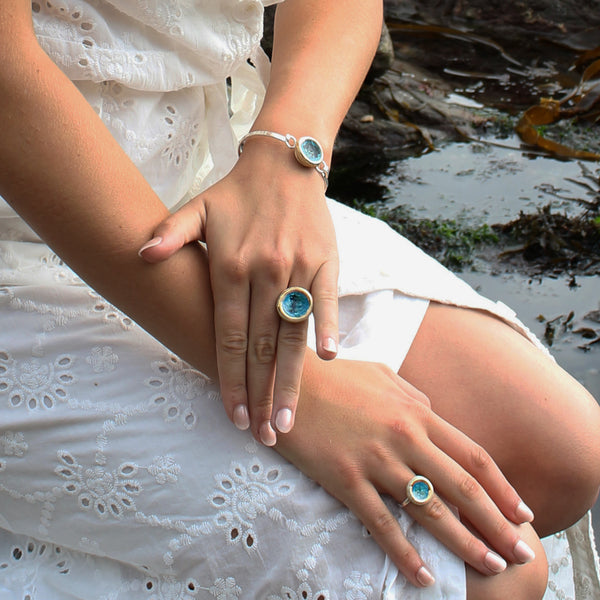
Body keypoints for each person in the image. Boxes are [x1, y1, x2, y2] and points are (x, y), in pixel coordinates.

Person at [0, 1, 598, 598]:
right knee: (486, 580)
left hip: (216, 181)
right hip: (28, 238)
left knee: (564, 457)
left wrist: (286, 153)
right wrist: (299, 391)